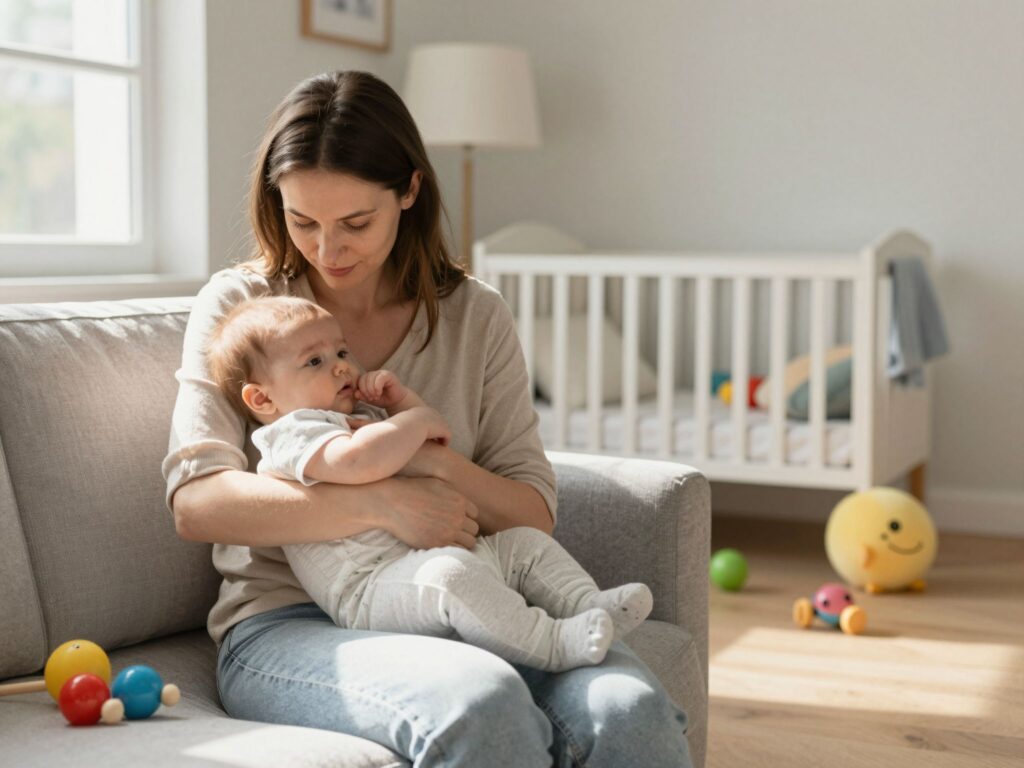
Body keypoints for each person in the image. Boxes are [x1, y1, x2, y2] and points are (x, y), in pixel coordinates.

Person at [163, 69, 692, 766]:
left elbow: (531, 512)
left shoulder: (476, 314)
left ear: (410, 191)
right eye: (303, 221)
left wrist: (434, 459)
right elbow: (198, 503)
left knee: (631, 712)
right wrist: (385, 505)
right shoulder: (242, 308)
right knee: (480, 703)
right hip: (290, 624)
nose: (328, 251)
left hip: (475, 597)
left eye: (356, 223)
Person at [206, 295, 654, 672]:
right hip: (371, 589)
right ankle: (553, 644)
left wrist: (403, 404)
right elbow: (359, 461)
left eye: (342, 353)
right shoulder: (291, 433)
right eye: (315, 362)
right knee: (451, 577)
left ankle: (587, 603)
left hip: (429, 555)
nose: (341, 368)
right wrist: (415, 420)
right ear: (263, 398)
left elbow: (434, 443)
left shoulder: (359, 417)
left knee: (523, 545)